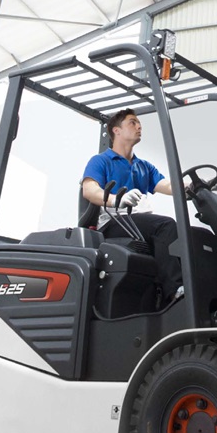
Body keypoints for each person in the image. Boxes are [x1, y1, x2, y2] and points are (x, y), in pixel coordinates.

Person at [81, 108, 184, 302]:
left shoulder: (144, 166)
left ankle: (173, 290)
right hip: (114, 222)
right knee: (165, 226)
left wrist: (191, 184)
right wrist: (115, 199)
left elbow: (167, 185)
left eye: (139, 124)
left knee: (187, 234)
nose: (139, 127)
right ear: (116, 131)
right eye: (132, 123)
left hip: (136, 222)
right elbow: (89, 189)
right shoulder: (101, 161)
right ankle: (175, 292)